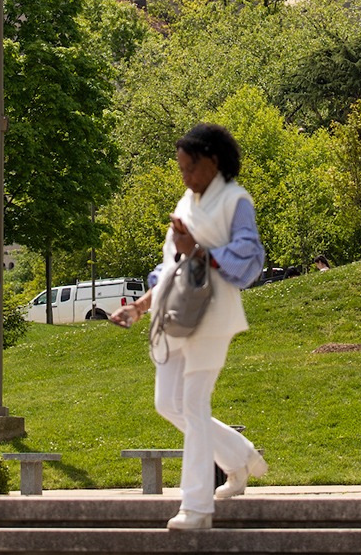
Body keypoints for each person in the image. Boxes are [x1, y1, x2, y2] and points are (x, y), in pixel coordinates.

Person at [111, 123, 267, 531]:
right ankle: (239, 457)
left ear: (212, 161)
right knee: (169, 403)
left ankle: (196, 508)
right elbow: (172, 268)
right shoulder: (186, 201)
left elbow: (249, 261)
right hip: (175, 315)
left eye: (188, 167)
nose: (183, 176)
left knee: (195, 405)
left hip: (213, 318)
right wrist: (141, 307)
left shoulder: (236, 201)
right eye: (180, 168)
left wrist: (199, 250)